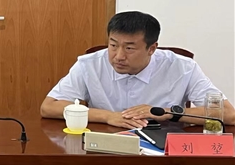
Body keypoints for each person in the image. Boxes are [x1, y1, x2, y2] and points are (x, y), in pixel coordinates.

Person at [40, 11, 235, 129]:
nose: (118, 56)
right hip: (105, 145)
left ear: (152, 49)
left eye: (129, 48)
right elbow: (49, 107)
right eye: (113, 45)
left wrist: (167, 112)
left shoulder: (182, 67)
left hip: (164, 150)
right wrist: (108, 116)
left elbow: (228, 114)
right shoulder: (89, 65)